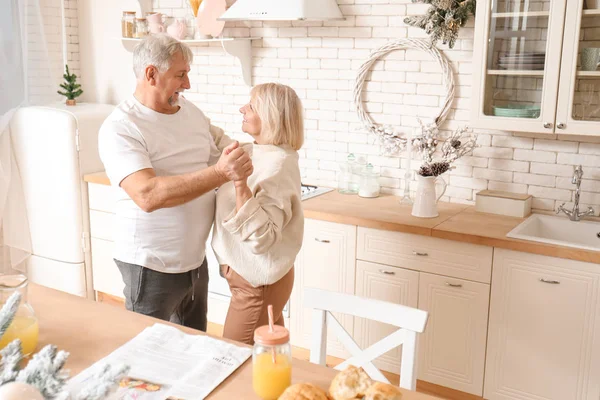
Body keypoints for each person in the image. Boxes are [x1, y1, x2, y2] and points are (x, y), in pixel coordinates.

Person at [98, 34, 252, 332]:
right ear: (151, 74)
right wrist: (222, 172)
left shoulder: (191, 113)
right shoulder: (121, 127)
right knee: (149, 354)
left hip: (194, 262)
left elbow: (222, 150)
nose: (187, 84)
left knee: (195, 348)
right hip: (150, 267)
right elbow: (147, 195)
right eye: (180, 75)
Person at [211, 82, 304, 344]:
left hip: (257, 286)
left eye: (250, 106)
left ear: (269, 115)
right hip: (254, 280)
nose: (242, 109)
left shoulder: (279, 165)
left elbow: (263, 237)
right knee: (267, 358)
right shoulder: (257, 150)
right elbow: (219, 140)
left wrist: (240, 185)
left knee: (233, 357)